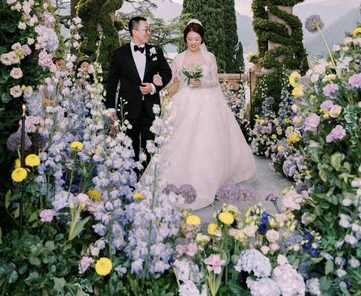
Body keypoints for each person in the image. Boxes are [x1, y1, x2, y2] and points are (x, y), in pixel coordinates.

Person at [148, 19, 255, 210]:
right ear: (185, 39)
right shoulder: (179, 58)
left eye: (196, 38)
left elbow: (214, 80)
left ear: (202, 39)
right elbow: (171, 79)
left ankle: (209, 179)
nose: (193, 42)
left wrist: (202, 83)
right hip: (185, 101)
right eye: (190, 38)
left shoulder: (209, 57)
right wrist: (157, 81)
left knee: (208, 141)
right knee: (181, 139)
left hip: (207, 101)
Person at [105, 16, 172, 162]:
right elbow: (112, 82)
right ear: (134, 31)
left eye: (149, 29)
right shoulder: (119, 54)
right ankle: (131, 182)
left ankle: (148, 181)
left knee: (151, 148)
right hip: (128, 109)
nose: (149, 32)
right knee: (129, 150)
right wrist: (111, 107)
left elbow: (167, 73)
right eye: (146, 29)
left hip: (150, 108)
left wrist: (153, 87)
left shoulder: (156, 51)